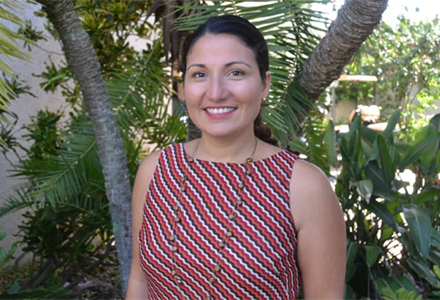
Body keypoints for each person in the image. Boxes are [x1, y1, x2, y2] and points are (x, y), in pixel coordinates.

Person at [126, 15, 346, 300]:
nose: (216, 93)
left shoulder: (303, 186)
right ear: (184, 86)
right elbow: (139, 280)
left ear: (264, 84)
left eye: (236, 73)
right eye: (200, 74)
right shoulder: (155, 171)